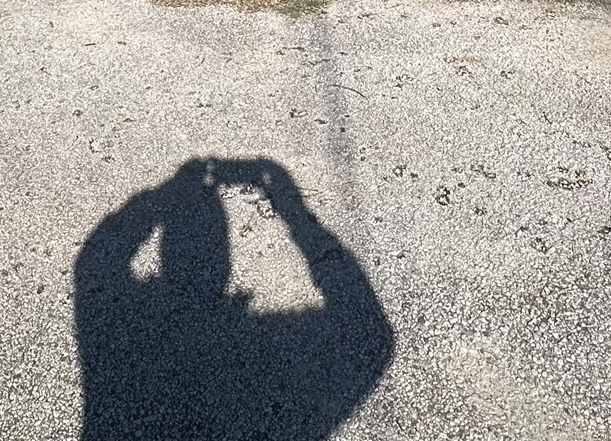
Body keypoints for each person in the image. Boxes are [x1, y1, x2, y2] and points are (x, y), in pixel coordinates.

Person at [73, 157, 393, 441]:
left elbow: (94, 265)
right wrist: (287, 202)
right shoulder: (270, 353)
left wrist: (167, 193)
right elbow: (370, 336)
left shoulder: (128, 341)